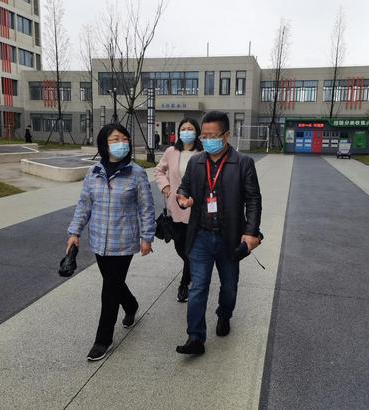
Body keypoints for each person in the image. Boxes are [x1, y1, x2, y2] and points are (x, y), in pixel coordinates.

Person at [66, 123, 156, 362]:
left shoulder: (136, 173)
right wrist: (75, 232)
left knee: (109, 290)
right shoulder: (94, 172)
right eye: (115, 139)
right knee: (113, 283)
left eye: (124, 139)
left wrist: (147, 237)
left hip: (123, 241)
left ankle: (103, 339)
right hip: (98, 240)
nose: (121, 143)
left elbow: (146, 208)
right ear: (104, 144)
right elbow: (84, 204)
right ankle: (131, 304)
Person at [175, 111, 262, 355]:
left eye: (213, 136)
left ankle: (224, 314)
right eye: (204, 136)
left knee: (229, 286)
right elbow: (184, 187)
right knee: (198, 287)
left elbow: (253, 200)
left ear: (226, 135)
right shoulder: (196, 162)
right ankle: (195, 337)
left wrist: (251, 232)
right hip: (201, 235)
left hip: (229, 237)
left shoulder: (243, 163)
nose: (207, 140)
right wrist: (182, 198)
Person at [154, 118, 203, 303]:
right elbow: (159, 170)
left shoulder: (203, 153)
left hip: (197, 209)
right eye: (184, 128)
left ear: (197, 132)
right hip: (175, 208)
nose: (187, 131)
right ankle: (192, 274)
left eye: (191, 128)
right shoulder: (171, 151)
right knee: (181, 247)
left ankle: (184, 283)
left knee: (191, 250)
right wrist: (165, 186)